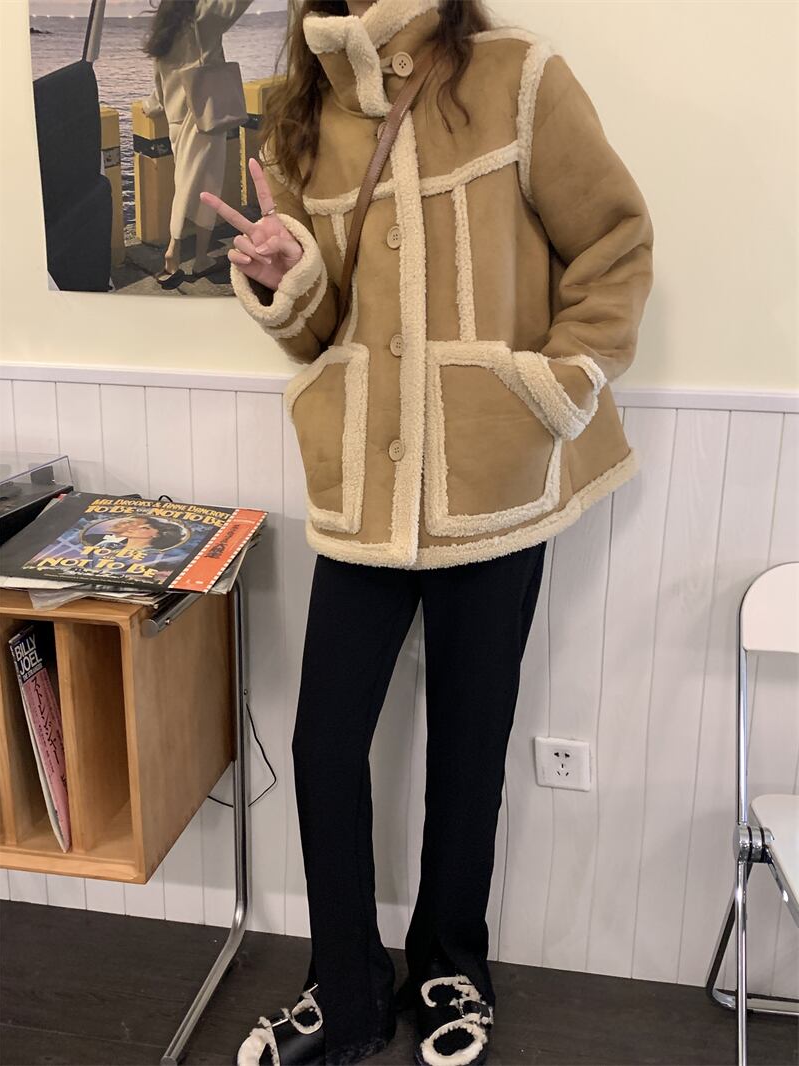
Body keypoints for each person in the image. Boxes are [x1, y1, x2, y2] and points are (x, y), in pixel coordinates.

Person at [201, 1, 655, 1064]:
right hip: (365, 487)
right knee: (322, 745)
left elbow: (615, 244)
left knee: (467, 742)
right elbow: (319, 327)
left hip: (494, 480)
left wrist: (549, 387)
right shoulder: (303, 109)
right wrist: (283, 274)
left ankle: (452, 965)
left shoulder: (518, 76)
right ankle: (346, 987)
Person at [141, 0, 252, 288]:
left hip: (177, 121)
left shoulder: (164, 30)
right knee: (206, 187)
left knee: (185, 183)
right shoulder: (202, 16)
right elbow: (234, 5)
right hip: (204, 115)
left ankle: (190, 255)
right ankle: (179, 252)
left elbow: (158, 85)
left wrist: (151, 106)